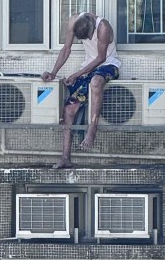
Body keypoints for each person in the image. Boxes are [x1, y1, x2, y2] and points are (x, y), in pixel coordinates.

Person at [42, 12, 121, 168]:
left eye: (89, 36)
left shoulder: (103, 27)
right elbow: (66, 48)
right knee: (69, 109)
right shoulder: (74, 21)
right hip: (88, 69)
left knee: (95, 82)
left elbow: (101, 58)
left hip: (109, 65)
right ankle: (65, 157)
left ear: (92, 27)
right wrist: (53, 73)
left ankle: (92, 129)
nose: (88, 40)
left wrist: (77, 74)